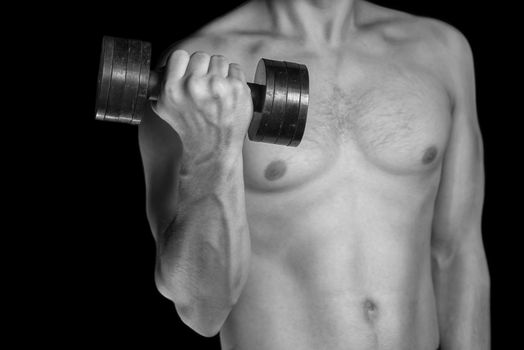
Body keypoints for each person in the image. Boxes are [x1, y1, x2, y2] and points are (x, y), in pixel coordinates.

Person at [138, 0, 490, 349]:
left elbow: (457, 251)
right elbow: (203, 310)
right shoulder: (192, 76)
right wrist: (211, 149)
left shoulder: (442, 50)